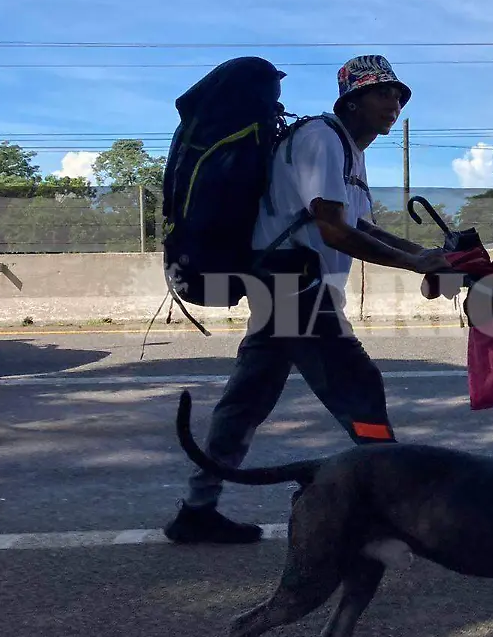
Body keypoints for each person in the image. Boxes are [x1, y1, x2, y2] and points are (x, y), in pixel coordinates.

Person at [164, 55, 452, 544]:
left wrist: (425, 253)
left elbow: (359, 224)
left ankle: (198, 507)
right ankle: (394, 503)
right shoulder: (321, 137)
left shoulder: (349, 150)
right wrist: (417, 265)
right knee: (358, 386)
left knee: (246, 401)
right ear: (352, 101)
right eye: (383, 93)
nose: (394, 103)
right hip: (292, 284)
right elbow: (333, 230)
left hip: (288, 285)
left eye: (399, 95)